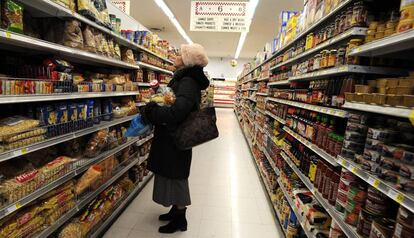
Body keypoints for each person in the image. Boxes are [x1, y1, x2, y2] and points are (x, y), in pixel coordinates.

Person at [142, 43, 209, 234]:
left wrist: (153, 112)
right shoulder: (184, 78)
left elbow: (177, 113)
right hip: (173, 136)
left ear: (187, 61)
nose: (175, 56)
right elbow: (174, 103)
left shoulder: (187, 81)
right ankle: (175, 210)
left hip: (177, 137)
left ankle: (181, 219)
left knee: (177, 175)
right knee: (172, 173)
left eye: (179, 55)